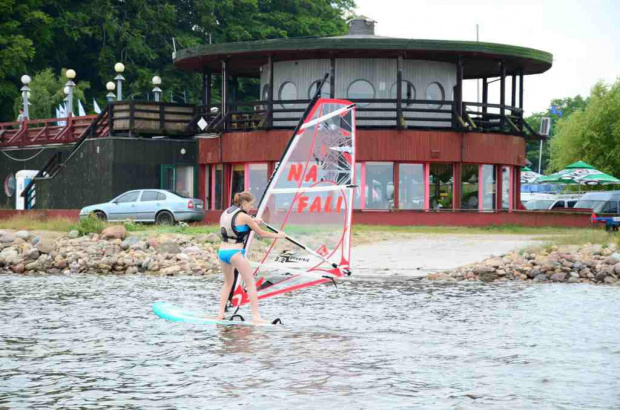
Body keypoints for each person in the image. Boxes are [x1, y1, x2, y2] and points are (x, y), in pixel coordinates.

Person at [217, 191, 286, 324]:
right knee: (251, 284)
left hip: (222, 252)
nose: (251, 207)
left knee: (227, 283)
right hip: (235, 253)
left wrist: (254, 220)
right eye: (250, 204)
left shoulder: (227, 212)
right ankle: (256, 317)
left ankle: (220, 313)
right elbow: (261, 233)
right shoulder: (245, 217)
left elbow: (237, 223)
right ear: (244, 203)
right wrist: (279, 235)